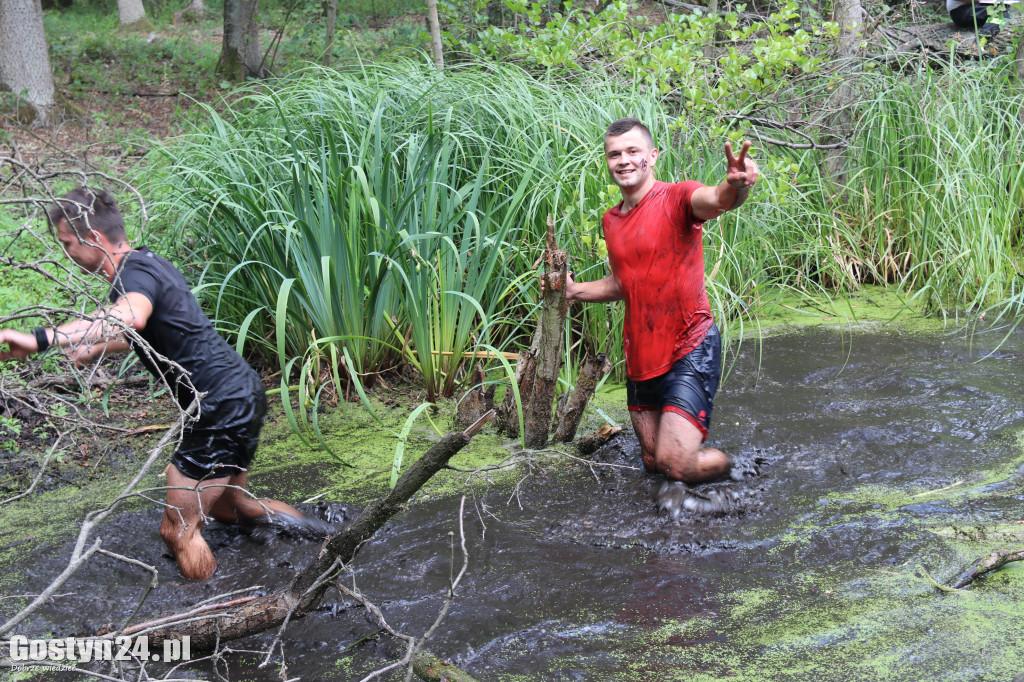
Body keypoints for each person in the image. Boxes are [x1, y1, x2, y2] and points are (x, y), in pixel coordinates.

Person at [0, 187, 316, 580]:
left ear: (93, 238)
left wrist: (40, 338)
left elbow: (130, 315)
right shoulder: (148, 262)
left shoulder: (132, 276)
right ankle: (329, 539)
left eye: (66, 243)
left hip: (217, 403)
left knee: (177, 531)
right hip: (239, 391)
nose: (66, 252)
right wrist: (96, 348)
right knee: (230, 506)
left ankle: (208, 621)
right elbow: (145, 327)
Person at [565, 118, 758, 487]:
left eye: (632, 151)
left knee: (677, 465)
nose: (623, 160)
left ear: (652, 156)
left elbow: (716, 199)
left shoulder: (677, 197)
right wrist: (574, 291)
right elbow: (626, 282)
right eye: (614, 154)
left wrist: (736, 186)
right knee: (654, 462)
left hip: (690, 345)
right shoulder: (612, 220)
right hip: (641, 356)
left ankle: (737, 470)